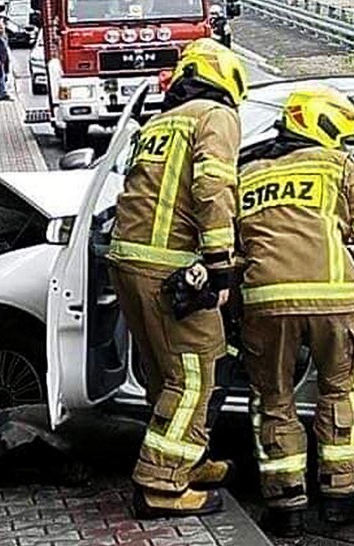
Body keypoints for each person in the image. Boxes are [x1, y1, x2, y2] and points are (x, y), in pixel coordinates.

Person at [237, 88, 354, 537]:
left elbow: (230, 245)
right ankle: (341, 499)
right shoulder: (341, 168)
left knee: (274, 400)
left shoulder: (248, 174)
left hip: (266, 303)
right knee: (341, 391)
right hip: (334, 302)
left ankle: (286, 507)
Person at [107, 38, 247, 519]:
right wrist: (220, 260)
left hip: (128, 261)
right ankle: (161, 487)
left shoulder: (161, 123)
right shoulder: (215, 115)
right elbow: (213, 186)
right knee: (196, 374)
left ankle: (189, 460)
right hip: (170, 267)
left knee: (165, 375)